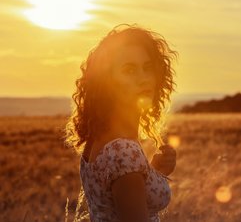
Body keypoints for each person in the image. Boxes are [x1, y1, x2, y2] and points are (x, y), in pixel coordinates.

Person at [64, 23, 178, 222]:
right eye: (129, 70)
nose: (143, 79)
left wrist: (154, 172)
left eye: (148, 68)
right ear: (107, 82)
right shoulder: (124, 151)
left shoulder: (101, 140)